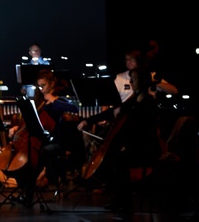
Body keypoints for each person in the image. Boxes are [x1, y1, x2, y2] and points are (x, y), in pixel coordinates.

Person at [77, 66, 166, 215]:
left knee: (114, 163)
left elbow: (138, 128)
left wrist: (123, 127)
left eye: (134, 79)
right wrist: (88, 121)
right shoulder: (132, 101)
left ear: (143, 81)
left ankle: (124, 201)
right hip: (134, 148)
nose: (130, 81)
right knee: (110, 163)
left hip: (146, 150)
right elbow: (113, 112)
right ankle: (120, 199)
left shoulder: (147, 103)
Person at [32, 70, 80, 189]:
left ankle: (46, 177)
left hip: (59, 140)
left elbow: (74, 109)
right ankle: (32, 178)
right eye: (39, 86)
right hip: (44, 138)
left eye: (43, 85)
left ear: (52, 83)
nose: (41, 89)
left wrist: (53, 100)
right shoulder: (41, 101)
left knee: (44, 150)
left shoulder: (59, 101)